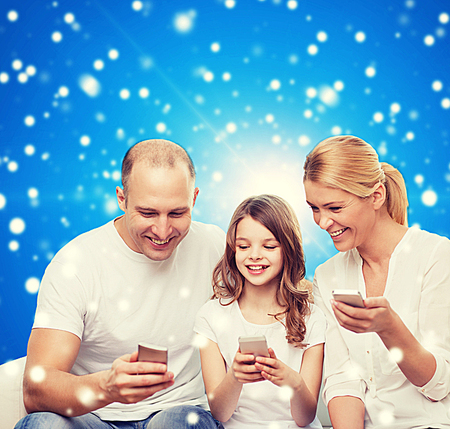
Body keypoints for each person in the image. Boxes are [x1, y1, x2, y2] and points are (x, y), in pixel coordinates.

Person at [16, 139, 226, 429]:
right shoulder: (75, 264)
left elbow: (275, 290)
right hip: (94, 417)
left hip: (178, 412)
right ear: (122, 198)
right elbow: (35, 388)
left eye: (177, 213)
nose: (163, 230)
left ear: (194, 199)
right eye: (148, 213)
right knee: (41, 425)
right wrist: (107, 387)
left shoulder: (215, 245)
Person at [303, 135, 450, 428]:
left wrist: (389, 329)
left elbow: (438, 385)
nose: (323, 222)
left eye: (334, 208)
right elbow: (342, 382)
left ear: (376, 196)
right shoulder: (327, 276)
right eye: (314, 208)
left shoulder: (437, 257)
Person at [194, 194, 326, 428]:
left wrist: (294, 383)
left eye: (269, 246)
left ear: (289, 249)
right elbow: (220, 413)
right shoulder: (211, 315)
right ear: (233, 250)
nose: (254, 255)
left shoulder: (312, 317)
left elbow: (305, 418)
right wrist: (235, 376)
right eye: (244, 246)